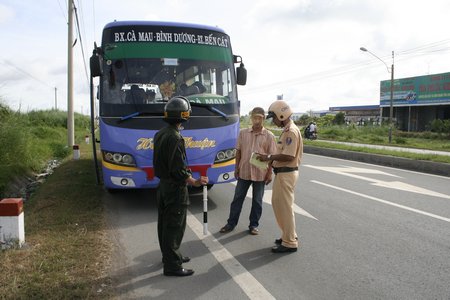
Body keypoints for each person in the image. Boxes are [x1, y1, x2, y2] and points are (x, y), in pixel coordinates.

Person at [153, 96, 209, 276]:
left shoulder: (160, 133)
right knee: (174, 227)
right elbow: (178, 168)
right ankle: (172, 266)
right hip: (175, 188)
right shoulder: (175, 137)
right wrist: (194, 181)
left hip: (163, 186)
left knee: (164, 224)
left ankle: (169, 256)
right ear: (184, 115)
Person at [219, 107, 277, 235]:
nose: (257, 121)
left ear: (263, 119)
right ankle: (231, 223)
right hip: (244, 171)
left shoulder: (269, 136)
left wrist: (269, 173)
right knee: (237, 199)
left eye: (260, 118)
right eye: (255, 117)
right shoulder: (243, 133)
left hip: (260, 174)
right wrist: (236, 167)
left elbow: (272, 157)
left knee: (257, 201)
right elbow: (238, 151)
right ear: (251, 118)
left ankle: (253, 225)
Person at [257, 100, 303, 253]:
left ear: (281, 115)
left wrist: (268, 157)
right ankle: (288, 236)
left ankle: (289, 242)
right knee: (280, 206)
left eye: (274, 118)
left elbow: (288, 156)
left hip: (286, 173)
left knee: (285, 208)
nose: (274, 121)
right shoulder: (287, 130)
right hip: (283, 173)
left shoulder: (291, 131)